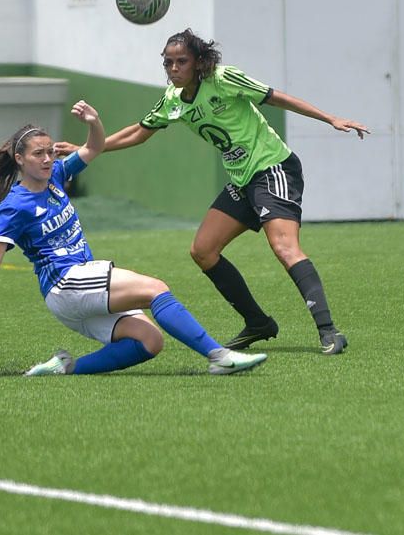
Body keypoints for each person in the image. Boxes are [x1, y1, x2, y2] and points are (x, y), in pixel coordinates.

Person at [55, 29, 369, 355]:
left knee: (284, 247)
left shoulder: (223, 79)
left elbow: (277, 97)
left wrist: (330, 118)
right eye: (168, 63)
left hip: (273, 168)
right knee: (203, 250)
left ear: (199, 62)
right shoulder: (173, 100)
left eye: (181, 61)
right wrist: (87, 148)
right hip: (242, 181)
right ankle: (258, 322)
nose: (174, 68)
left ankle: (329, 331)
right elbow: (139, 132)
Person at [0, 99, 268, 377]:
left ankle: (63, 369)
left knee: (150, 341)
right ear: (19, 159)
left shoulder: (55, 174)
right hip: (65, 283)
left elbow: (93, 148)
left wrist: (94, 122)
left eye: (50, 151)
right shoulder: (15, 205)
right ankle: (219, 356)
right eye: (38, 154)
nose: (47, 159)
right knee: (155, 288)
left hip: (78, 284)